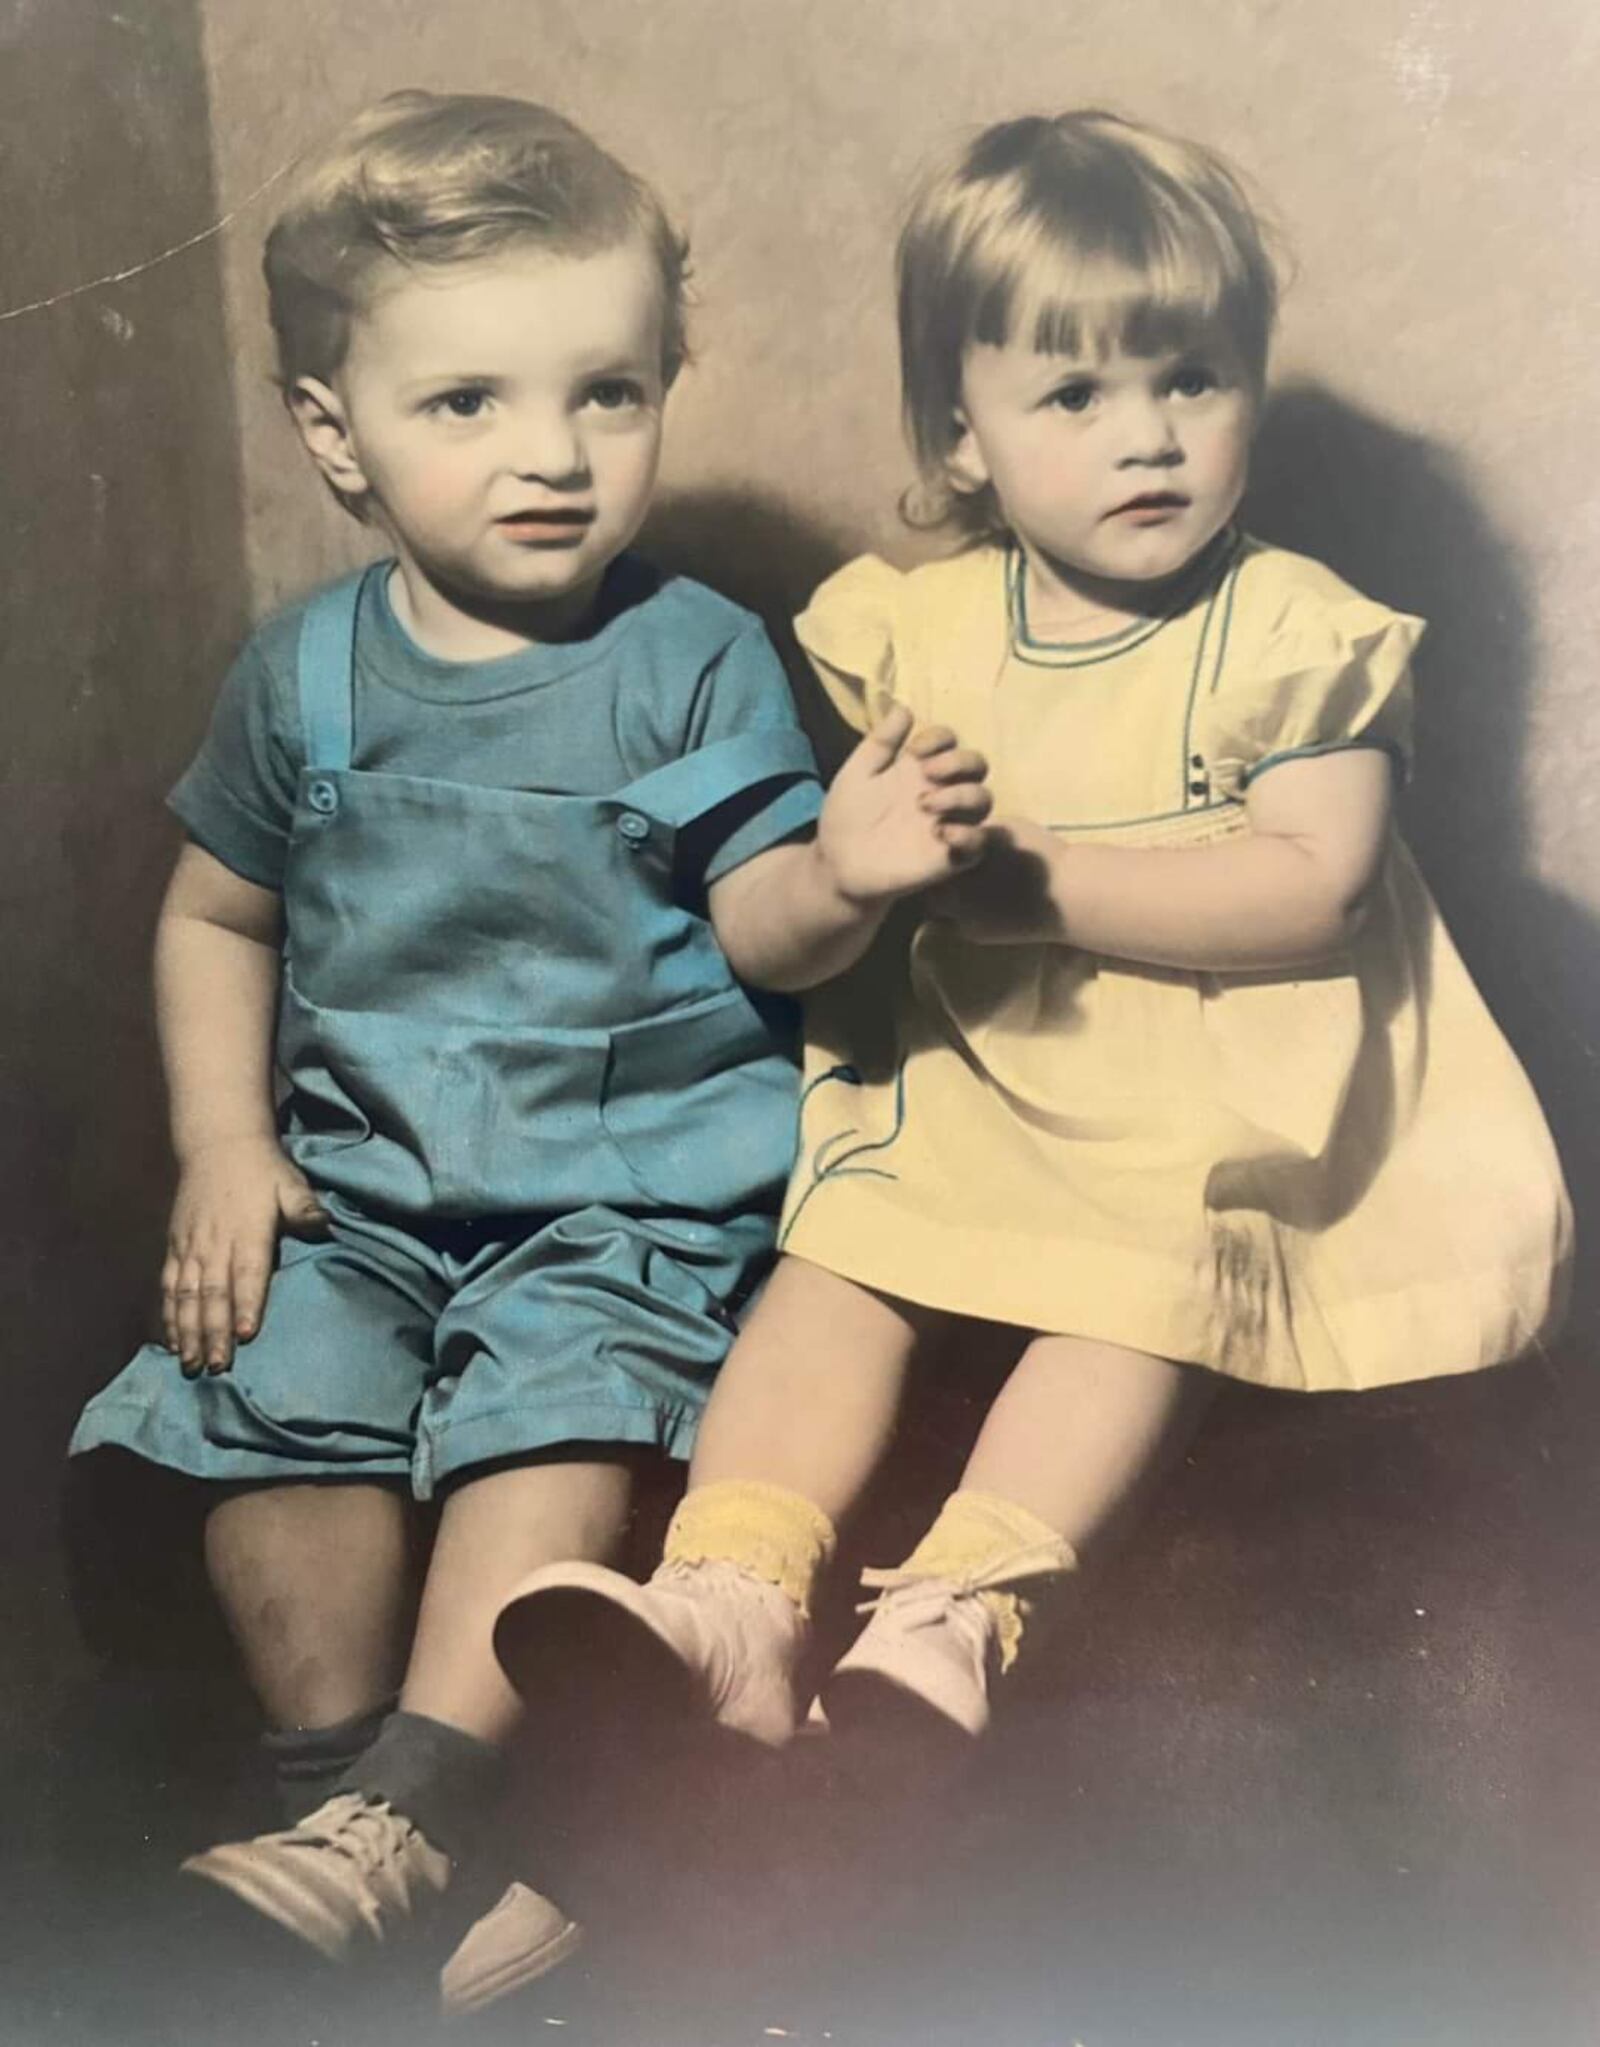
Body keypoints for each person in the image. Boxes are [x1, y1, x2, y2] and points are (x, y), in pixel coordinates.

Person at [493, 110, 1571, 1773]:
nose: (1147, 439)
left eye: (1191, 381)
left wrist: (1038, 885)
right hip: (982, 1078)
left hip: (1228, 1092)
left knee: (1143, 1281)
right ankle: (733, 1597)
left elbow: (1317, 887)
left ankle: (958, 1608)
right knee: (840, 1259)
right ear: (965, 432)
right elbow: (769, 942)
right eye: (1074, 395)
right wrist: (845, 875)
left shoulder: (1292, 631)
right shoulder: (915, 636)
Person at [67, 89, 990, 2013]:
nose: (555, 457)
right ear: (337, 435)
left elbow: (764, 927)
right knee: (274, 1365)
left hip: (619, 1191)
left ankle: (432, 1795)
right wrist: (226, 1147)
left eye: (610, 392)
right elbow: (214, 916)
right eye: (467, 404)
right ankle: (348, 1804)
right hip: (371, 1178)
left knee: (551, 1402)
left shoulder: (695, 656)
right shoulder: (301, 672)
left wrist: (853, 872)